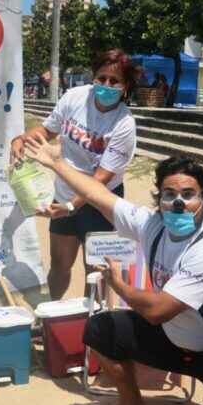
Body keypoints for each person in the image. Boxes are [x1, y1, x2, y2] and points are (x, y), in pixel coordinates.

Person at [24, 141, 203, 405]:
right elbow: (97, 194)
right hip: (173, 340)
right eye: (170, 194)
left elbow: (156, 312)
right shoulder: (151, 225)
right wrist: (56, 163)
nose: (178, 203)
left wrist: (119, 285)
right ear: (160, 200)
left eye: (188, 194)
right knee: (100, 329)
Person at [10, 49, 140, 299]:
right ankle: (50, 315)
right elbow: (48, 131)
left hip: (101, 202)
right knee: (60, 264)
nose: (106, 85)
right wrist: (22, 139)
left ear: (125, 87)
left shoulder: (124, 124)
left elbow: (101, 179)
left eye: (114, 81)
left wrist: (72, 206)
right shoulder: (75, 97)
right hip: (64, 194)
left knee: (97, 271)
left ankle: (95, 326)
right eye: (101, 78)